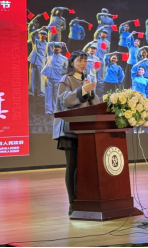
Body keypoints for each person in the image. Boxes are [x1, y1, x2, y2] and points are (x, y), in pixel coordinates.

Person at [53, 51, 100, 216]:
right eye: (80, 61)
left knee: (85, 166)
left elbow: (95, 103)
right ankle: (72, 203)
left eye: (85, 61)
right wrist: (82, 90)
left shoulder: (87, 79)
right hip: (70, 129)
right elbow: (64, 100)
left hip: (86, 128)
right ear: (72, 62)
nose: (83, 64)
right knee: (72, 166)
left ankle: (85, 198)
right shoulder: (66, 79)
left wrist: (90, 91)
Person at [41, 42, 68, 114]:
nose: (57, 48)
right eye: (55, 47)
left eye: (58, 47)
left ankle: (55, 110)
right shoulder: (50, 54)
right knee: (48, 95)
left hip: (57, 78)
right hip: (48, 78)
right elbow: (48, 44)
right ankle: (48, 110)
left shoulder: (64, 58)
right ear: (53, 49)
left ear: (61, 49)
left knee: (56, 95)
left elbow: (66, 69)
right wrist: (59, 43)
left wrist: (60, 72)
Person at [28, 28, 49, 97]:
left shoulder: (47, 44)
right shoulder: (36, 42)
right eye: (41, 34)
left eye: (44, 34)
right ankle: (31, 92)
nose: (43, 35)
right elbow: (31, 35)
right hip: (33, 60)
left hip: (41, 61)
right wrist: (39, 29)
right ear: (39, 35)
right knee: (32, 77)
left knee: (41, 78)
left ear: (46, 36)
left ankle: (41, 92)